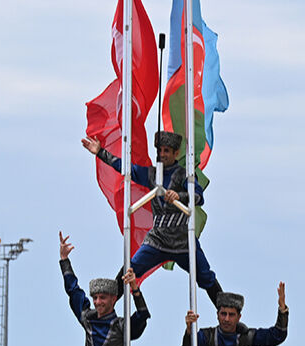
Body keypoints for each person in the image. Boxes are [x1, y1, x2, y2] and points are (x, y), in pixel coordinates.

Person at [81, 130, 225, 307]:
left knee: (206, 277)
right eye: (160, 150)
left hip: (183, 240)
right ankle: (105, 313)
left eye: (167, 151)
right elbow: (125, 168)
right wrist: (100, 152)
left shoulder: (184, 175)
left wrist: (180, 196)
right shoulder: (151, 174)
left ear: (176, 153)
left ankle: (227, 317)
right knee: (129, 270)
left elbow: (198, 197)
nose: (162, 154)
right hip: (158, 239)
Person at [58, 232, 149, 346]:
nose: (98, 302)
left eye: (103, 298)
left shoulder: (121, 326)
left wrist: (135, 289)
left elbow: (142, 315)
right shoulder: (88, 319)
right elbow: (73, 291)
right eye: (95, 298)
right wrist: (65, 260)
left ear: (114, 299)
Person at [180, 284, 288, 346]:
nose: (226, 319)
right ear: (217, 315)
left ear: (239, 317)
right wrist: (189, 330)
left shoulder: (247, 337)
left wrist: (282, 309)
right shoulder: (207, 336)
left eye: (231, 315)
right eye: (223, 314)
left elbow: (277, 335)